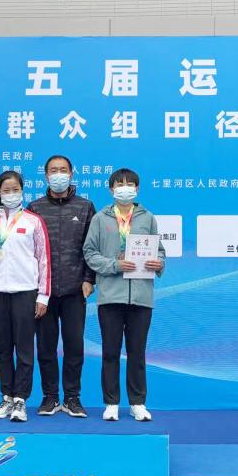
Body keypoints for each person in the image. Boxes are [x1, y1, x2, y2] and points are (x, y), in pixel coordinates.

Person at [82, 168, 165, 422]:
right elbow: (89, 253)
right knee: (110, 352)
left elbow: (160, 252)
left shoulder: (147, 218)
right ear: (111, 189)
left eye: (130, 184)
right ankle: (111, 403)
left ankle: (137, 403)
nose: (125, 188)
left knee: (137, 353)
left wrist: (159, 263)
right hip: (110, 296)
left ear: (137, 189)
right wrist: (114, 265)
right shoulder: (100, 218)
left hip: (141, 297)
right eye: (120, 184)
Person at [28, 155, 97, 418]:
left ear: (71, 173)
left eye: (63, 170)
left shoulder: (85, 207)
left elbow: (91, 248)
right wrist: (36, 289)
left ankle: (72, 398)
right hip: (43, 293)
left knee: (74, 346)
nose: (59, 174)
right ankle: (50, 397)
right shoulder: (35, 208)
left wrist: (89, 279)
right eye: (53, 170)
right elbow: (28, 251)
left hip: (75, 290)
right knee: (45, 347)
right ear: (46, 176)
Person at [0, 171, 51, 423]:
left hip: (26, 291)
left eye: (15, 189)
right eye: (6, 190)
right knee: (1, 347)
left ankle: (21, 399)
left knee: (24, 348)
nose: (11, 194)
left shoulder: (34, 221)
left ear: (22, 191)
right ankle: (6, 396)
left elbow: (43, 259)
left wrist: (43, 296)